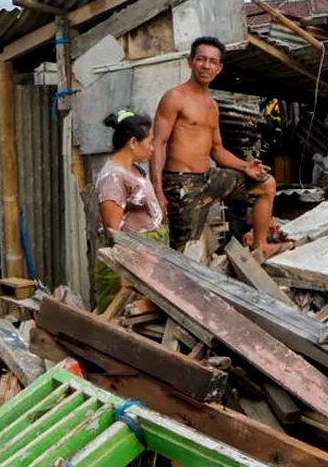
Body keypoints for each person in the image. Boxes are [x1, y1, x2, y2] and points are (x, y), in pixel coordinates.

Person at [151, 35, 292, 258]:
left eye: (212, 61)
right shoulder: (175, 98)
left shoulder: (212, 106)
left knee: (266, 184)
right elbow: (157, 143)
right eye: (201, 59)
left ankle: (260, 245)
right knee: (182, 249)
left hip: (209, 177)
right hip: (181, 181)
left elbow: (217, 150)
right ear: (190, 62)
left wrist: (245, 166)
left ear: (219, 68)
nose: (206, 65)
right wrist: (157, 190)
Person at [93, 110, 165, 311]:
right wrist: (127, 276)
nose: (152, 149)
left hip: (146, 257)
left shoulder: (134, 170)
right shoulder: (113, 178)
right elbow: (113, 231)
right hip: (130, 264)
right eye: (149, 142)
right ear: (133, 142)